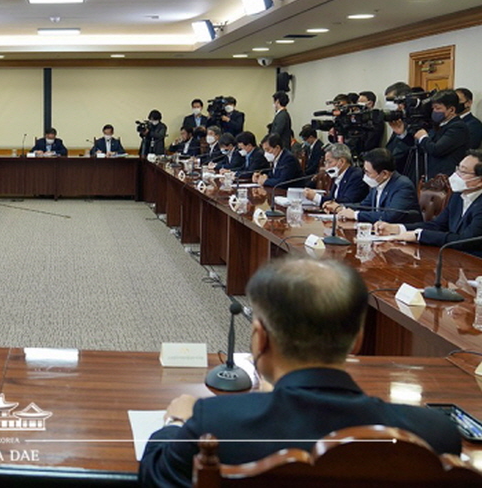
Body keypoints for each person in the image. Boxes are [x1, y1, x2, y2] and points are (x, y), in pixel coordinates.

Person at [138, 258, 461, 488]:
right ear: (358, 340)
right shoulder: (433, 433)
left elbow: (155, 476)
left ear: (260, 337)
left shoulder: (216, 424)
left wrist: (176, 422)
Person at [374, 150, 482, 256]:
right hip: (454, 258)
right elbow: (437, 225)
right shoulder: (458, 196)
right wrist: (397, 229)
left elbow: (466, 241)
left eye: (463, 172)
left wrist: (419, 235)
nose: (456, 175)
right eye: (458, 169)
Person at [324, 147, 421, 224]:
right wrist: (341, 208)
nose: (365, 176)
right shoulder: (378, 184)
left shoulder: (402, 186)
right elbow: (364, 206)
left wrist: (356, 215)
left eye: (368, 173)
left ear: (384, 174)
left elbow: (390, 216)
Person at [412, 89, 469, 179]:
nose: (434, 111)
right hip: (432, 177)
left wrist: (423, 137)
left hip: (446, 179)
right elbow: (423, 147)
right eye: (433, 108)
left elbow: (437, 149)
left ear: (451, 109)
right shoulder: (438, 125)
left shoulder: (458, 127)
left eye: (438, 108)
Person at [304, 143, 368, 207]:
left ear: (342, 161)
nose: (326, 167)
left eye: (329, 162)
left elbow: (347, 202)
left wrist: (317, 198)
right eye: (325, 163)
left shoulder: (356, 176)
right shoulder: (338, 176)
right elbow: (333, 199)